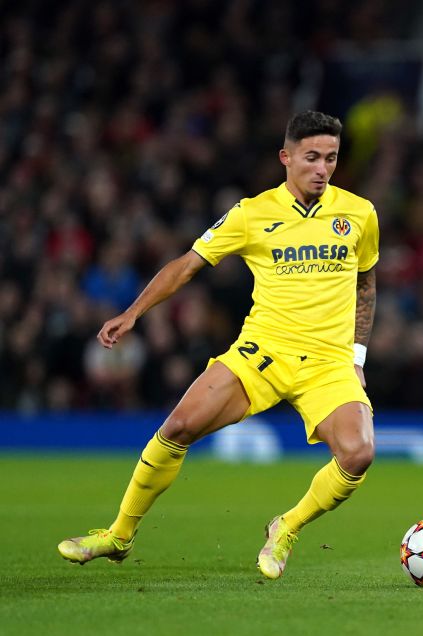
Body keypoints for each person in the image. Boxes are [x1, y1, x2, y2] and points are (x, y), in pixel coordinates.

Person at [57, 111, 380, 580]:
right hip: (262, 354)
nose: (322, 169)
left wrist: (356, 357)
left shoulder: (360, 213)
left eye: (330, 158)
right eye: (311, 157)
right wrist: (133, 313)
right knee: (178, 426)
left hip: (328, 364)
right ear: (286, 158)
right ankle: (119, 535)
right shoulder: (252, 213)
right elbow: (187, 265)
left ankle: (285, 527)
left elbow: (366, 284)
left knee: (358, 453)